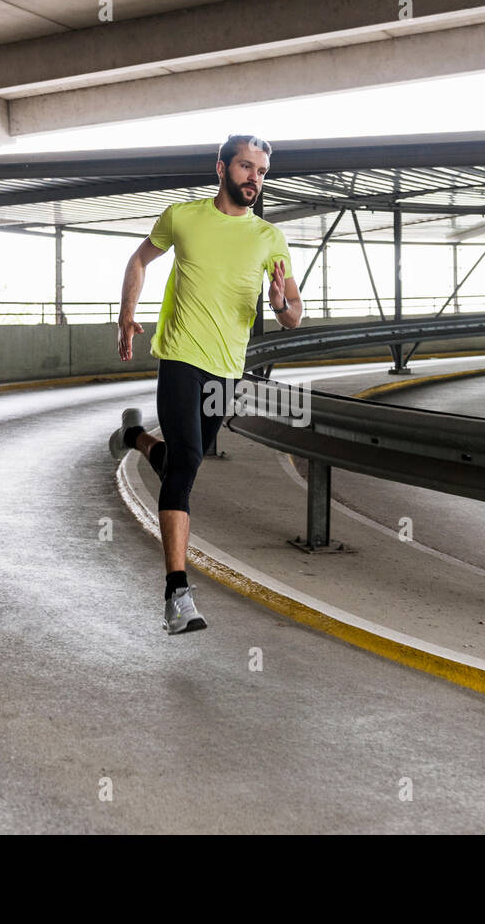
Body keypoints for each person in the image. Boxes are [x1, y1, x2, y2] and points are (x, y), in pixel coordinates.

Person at [109, 134, 302, 634]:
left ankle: (133, 438)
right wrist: (127, 316)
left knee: (179, 459)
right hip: (179, 354)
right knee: (190, 461)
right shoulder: (183, 218)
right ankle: (178, 595)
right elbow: (138, 260)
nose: (253, 178)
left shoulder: (268, 239)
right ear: (221, 168)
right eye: (245, 167)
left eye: (261, 171)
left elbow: (293, 317)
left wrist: (279, 301)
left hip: (227, 367)